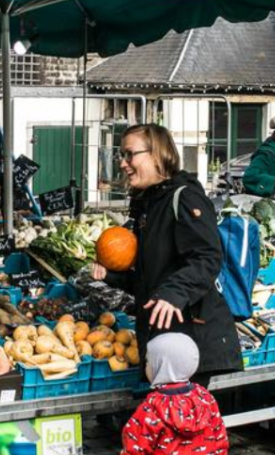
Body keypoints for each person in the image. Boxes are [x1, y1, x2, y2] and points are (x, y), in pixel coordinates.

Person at [93, 124, 242, 387]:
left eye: (129, 154)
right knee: (167, 424)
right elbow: (151, 277)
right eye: (121, 156)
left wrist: (174, 294)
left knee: (184, 423)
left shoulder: (185, 198)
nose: (123, 164)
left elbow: (207, 257)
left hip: (190, 337)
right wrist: (112, 275)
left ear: (157, 154)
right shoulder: (148, 206)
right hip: (166, 337)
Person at [120, 333, 229, 455]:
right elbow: (220, 440)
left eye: (148, 361)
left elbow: (134, 450)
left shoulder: (151, 409)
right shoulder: (206, 398)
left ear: (160, 366)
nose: (145, 366)